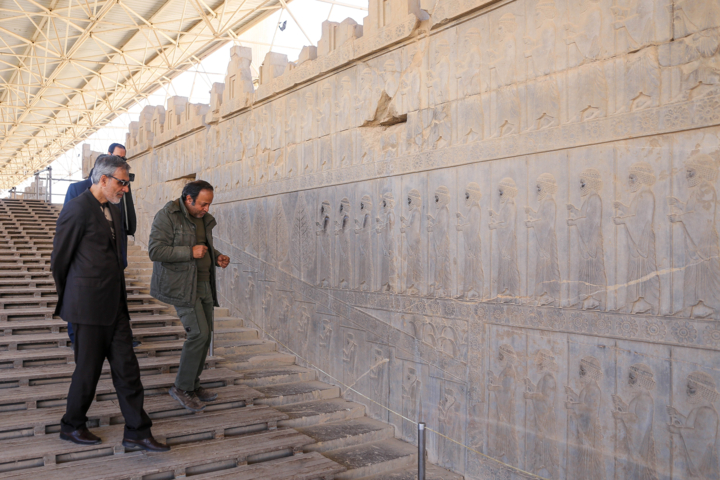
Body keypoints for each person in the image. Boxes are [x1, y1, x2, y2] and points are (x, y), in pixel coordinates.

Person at [51, 155, 168, 452]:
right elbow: (59, 261)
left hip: (115, 307)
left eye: (127, 183)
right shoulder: (76, 209)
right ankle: (72, 425)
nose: (125, 189)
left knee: (128, 370)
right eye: (122, 182)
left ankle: (137, 432)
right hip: (86, 308)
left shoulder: (115, 211)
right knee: (87, 372)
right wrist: (72, 301)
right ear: (102, 179)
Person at [148, 180, 230, 412]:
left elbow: (202, 245)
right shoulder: (167, 215)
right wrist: (189, 252)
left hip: (204, 283)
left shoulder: (202, 218)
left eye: (209, 205)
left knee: (206, 336)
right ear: (188, 199)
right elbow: (155, 250)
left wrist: (217, 256)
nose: (206, 209)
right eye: (203, 204)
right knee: (198, 334)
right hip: (182, 285)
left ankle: (193, 385)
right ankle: (181, 387)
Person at [64, 143, 137, 345]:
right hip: (85, 265)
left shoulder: (119, 189)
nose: (122, 160)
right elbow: (67, 233)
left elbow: (122, 224)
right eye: (118, 157)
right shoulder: (77, 190)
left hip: (113, 258)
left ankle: (121, 336)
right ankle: (75, 336)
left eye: (124, 157)